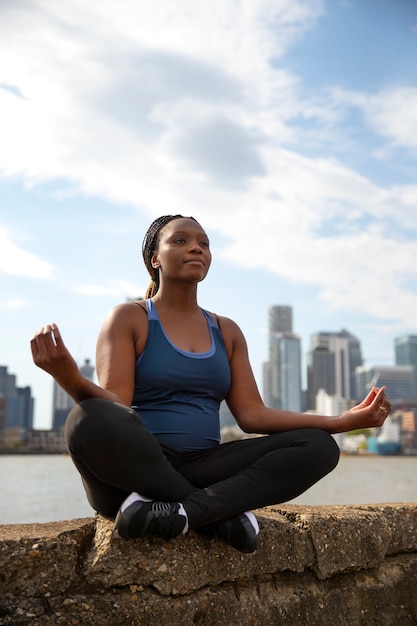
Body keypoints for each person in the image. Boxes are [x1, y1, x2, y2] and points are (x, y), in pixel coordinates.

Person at [31, 214, 391, 554]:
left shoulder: (227, 330)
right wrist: (70, 378)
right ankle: (220, 517)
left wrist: (341, 423)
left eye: (204, 242)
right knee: (86, 419)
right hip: (134, 473)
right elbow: (115, 404)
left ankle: (186, 513)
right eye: (182, 240)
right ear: (154, 258)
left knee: (319, 447)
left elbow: (252, 415)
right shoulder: (130, 317)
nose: (196, 248)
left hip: (205, 466)